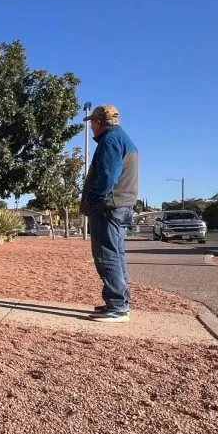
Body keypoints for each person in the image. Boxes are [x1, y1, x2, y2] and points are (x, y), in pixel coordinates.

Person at [80, 104, 139, 323]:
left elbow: (107, 177)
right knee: (117, 254)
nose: (92, 128)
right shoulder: (122, 139)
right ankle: (119, 302)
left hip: (109, 206)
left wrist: (91, 200)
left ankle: (118, 306)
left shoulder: (110, 141)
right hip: (121, 205)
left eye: (93, 123)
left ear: (98, 122)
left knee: (107, 255)